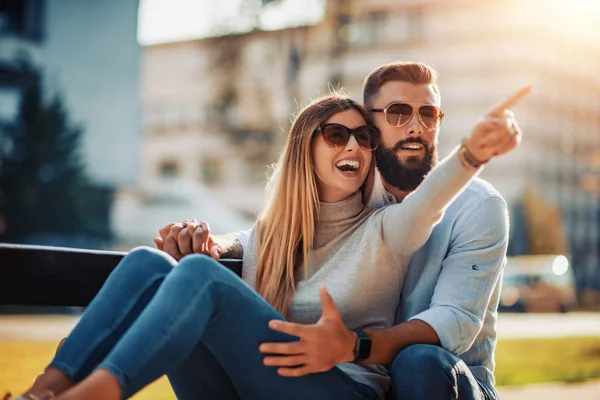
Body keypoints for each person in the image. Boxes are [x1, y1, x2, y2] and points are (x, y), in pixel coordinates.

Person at [15, 83, 525, 400]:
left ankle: (97, 394)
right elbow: (228, 253)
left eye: (364, 138)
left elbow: (430, 201)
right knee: (150, 263)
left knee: (197, 277)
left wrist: (470, 155)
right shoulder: (268, 237)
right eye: (335, 134)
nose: (354, 145)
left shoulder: (386, 229)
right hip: (262, 385)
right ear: (306, 148)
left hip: (342, 390)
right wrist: (206, 243)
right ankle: (45, 391)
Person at [159, 62, 524, 400]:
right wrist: (216, 245)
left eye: (428, 114)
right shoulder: (356, 190)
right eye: (398, 112)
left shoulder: (479, 205)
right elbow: (284, 230)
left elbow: (455, 324)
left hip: (449, 380)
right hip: (360, 374)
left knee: (418, 362)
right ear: (371, 127)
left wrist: (355, 345)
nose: (416, 126)